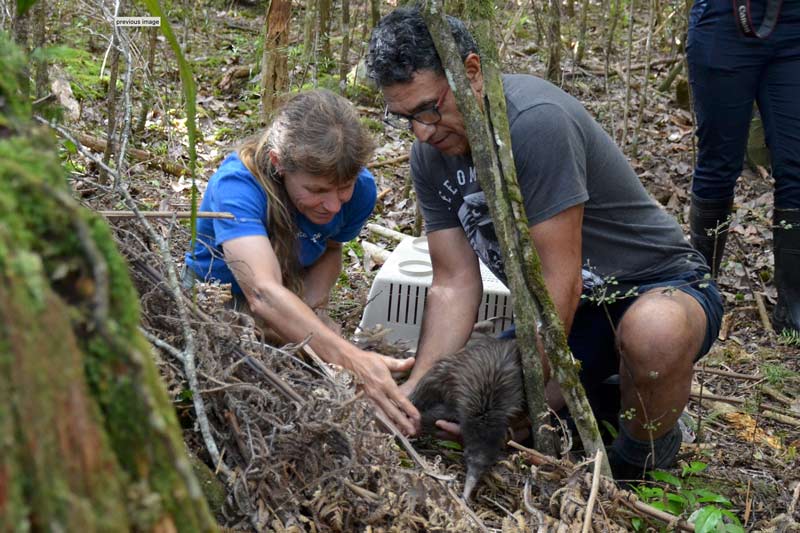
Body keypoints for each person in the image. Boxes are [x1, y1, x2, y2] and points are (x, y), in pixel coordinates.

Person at [366, 7, 724, 479]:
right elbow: (454, 283)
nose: (423, 132)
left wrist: (529, 400)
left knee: (652, 335)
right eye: (406, 118)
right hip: (575, 318)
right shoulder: (430, 156)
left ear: (471, 72)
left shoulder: (535, 123)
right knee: (462, 406)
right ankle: (611, 394)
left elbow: (560, 278)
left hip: (654, 288)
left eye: (430, 109)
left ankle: (641, 456)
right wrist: (415, 392)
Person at [184, 89, 420, 435]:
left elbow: (330, 248)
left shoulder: (361, 192)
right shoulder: (237, 186)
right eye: (316, 190)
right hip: (216, 302)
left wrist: (316, 309)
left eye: (343, 189)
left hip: (289, 298)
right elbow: (262, 292)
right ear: (279, 164)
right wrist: (350, 359)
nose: (333, 206)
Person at [686, 0, 800, 333]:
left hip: (793, 24)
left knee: (796, 165)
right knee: (718, 165)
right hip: (725, 19)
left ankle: (793, 309)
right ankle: (700, 291)